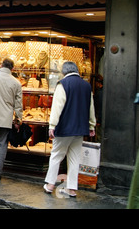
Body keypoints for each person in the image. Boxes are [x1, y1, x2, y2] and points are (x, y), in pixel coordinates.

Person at [43, 61, 96, 197]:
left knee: (56, 155)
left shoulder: (63, 84)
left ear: (64, 72)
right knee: (74, 158)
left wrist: (52, 125)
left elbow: (57, 107)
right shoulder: (86, 86)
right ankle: (71, 188)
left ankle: (49, 184)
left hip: (64, 128)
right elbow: (91, 108)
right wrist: (91, 125)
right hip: (79, 129)